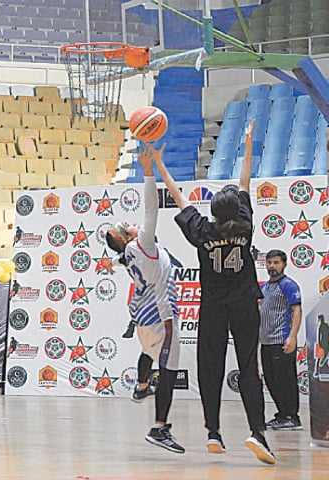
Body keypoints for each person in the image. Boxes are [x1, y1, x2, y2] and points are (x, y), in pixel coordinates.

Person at [157, 120, 275, 464]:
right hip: (244, 306)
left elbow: (177, 196)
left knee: (210, 369)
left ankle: (213, 433)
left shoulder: (202, 232)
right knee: (249, 370)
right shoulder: (247, 225)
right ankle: (258, 433)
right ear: (235, 209)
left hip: (212, 308)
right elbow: (245, 181)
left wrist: (161, 164)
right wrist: (249, 142)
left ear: (212, 211)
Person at [104, 143, 184, 454]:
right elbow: (151, 208)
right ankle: (159, 428)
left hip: (144, 318)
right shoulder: (142, 244)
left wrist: (110, 263)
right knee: (168, 371)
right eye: (129, 226)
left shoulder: (127, 254)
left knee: (154, 362)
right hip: (161, 316)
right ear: (127, 235)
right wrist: (148, 172)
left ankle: (141, 388)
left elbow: (117, 261)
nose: (135, 223)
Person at [259, 249, 303, 431]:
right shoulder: (265, 287)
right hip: (266, 342)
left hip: (282, 341)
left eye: (276, 263)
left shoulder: (289, 285)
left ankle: (292, 417)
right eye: (269, 263)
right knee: (272, 380)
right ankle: (282, 414)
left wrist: (292, 337)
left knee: (286, 380)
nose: (272, 266)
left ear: (284, 264)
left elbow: (296, 311)